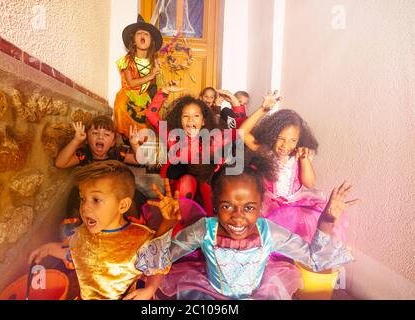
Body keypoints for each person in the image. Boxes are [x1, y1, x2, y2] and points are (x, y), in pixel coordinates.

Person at [135, 160, 358, 300]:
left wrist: (326, 220)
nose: (238, 216)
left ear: (261, 206)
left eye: (249, 207)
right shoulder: (204, 229)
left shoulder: (269, 232)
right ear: (214, 205)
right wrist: (166, 223)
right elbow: (161, 258)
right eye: (227, 206)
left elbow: (314, 258)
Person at [28, 161, 179, 300]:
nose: (85, 207)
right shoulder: (82, 232)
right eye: (82, 199)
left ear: (122, 206)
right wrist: (48, 249)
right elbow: (76, 255)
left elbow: (157, 263)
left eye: (96, 199)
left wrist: (150, 289)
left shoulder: (139, 238)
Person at [239, 91, 345, 242]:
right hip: (268, 204)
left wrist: (304, 159)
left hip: (296, 205)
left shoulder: (298, 156)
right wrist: (263, 109)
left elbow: (309, 183)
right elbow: (242, 133)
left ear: (299, 140)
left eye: (292, 140)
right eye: (280, 139)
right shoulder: (266, 152)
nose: (285, 145)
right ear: (271, 135)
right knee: (266, 238)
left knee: (297, 236)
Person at [146, 86, 245, 216]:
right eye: (185, 116)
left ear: (203, 121)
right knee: (188, 181)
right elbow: (151, 114)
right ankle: (181, 221)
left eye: (196, 116)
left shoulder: (214, 139)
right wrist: (164, 92)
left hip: (205, 188)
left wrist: (235, 103)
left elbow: (240, 131)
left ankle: (209, 221)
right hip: (180, 190)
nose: (191, 120)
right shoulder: (173, 136)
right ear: (180, 120)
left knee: (206, 185)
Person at [54, 115, 145, 221]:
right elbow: (60, 163)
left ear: (113, 142)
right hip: (90, 193)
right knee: (76, 196)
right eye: (95, 133)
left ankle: (132, 225)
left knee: (130, 197)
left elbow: (140, 160)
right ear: (87, 139)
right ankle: (73, 229)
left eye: (106, 134)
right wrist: (76, 141)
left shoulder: (117, 153)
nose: (100, 137)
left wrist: (134, 144)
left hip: (113, 192)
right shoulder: (84, 154)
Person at [113, 15, 163, 143]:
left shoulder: (154, 62)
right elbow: (130, 82)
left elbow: (158, 86)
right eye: (139, 33)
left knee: (150, 118)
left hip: (144, 96)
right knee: (120, 108)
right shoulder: (127, 60)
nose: (142, 35)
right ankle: (120, 140)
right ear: (134, 41)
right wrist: (151, 75)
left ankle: (143, 143)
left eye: (146, 34)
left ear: (151, 41)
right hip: (128, 94)